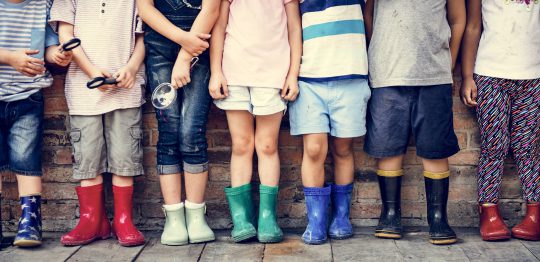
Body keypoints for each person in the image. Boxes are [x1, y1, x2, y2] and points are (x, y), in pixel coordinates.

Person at [363, 0, 466, 245]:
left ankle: (438, 217)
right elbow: (369, 14)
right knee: (387, 146)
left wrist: (448, 63)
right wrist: (378, 51)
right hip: (387, 73)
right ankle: (390, 214)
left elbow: (458, 19)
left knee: (435, 147)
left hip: (433, 75)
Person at [50, 0, 147, 247]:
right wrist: (92, 71)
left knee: (125, 157)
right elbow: (65, 33)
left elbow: (143, 37)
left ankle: (123, 220)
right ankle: (92, 219)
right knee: (88, 156)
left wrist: (132, 68)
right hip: (85, 89)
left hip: (126, 88)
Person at [209, 0, 301, 243]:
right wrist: (216, 71)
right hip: (234, 72)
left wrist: (292, 74)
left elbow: (294, 28)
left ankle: (267, 218)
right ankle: (241, 218)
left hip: (272, 73)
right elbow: (219, 26)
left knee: (268, 145)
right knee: (241, 145)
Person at [137, 0, 220, 246]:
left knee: (191, 131)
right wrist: (183, 40)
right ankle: (173, 217)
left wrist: (186, 55)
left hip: (199, 48)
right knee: (169, 131)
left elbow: (211, 9)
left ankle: (196, 216)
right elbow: (145, 9)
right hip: (160, 48)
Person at [289, 0, 371, 245]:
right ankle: (316, 220)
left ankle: (341, 217)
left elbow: (370, 21)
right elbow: (292, 28)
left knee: (343, 148)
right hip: (310, 78)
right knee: (313, 149)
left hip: (351, 75)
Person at [460, 0, 540, 241]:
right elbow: (473, 26)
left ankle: (535, 213)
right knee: (494, 147)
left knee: (528, 148)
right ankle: (488, 212)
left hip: (534, 76)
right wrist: (466, 76)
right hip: (490, 75)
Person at [0, 0, 73, 247]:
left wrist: (57, 55)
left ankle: (30, 220)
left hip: (27, 96)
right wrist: (9, 58)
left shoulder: (42, 5)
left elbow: (47, 44)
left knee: (26, 157)